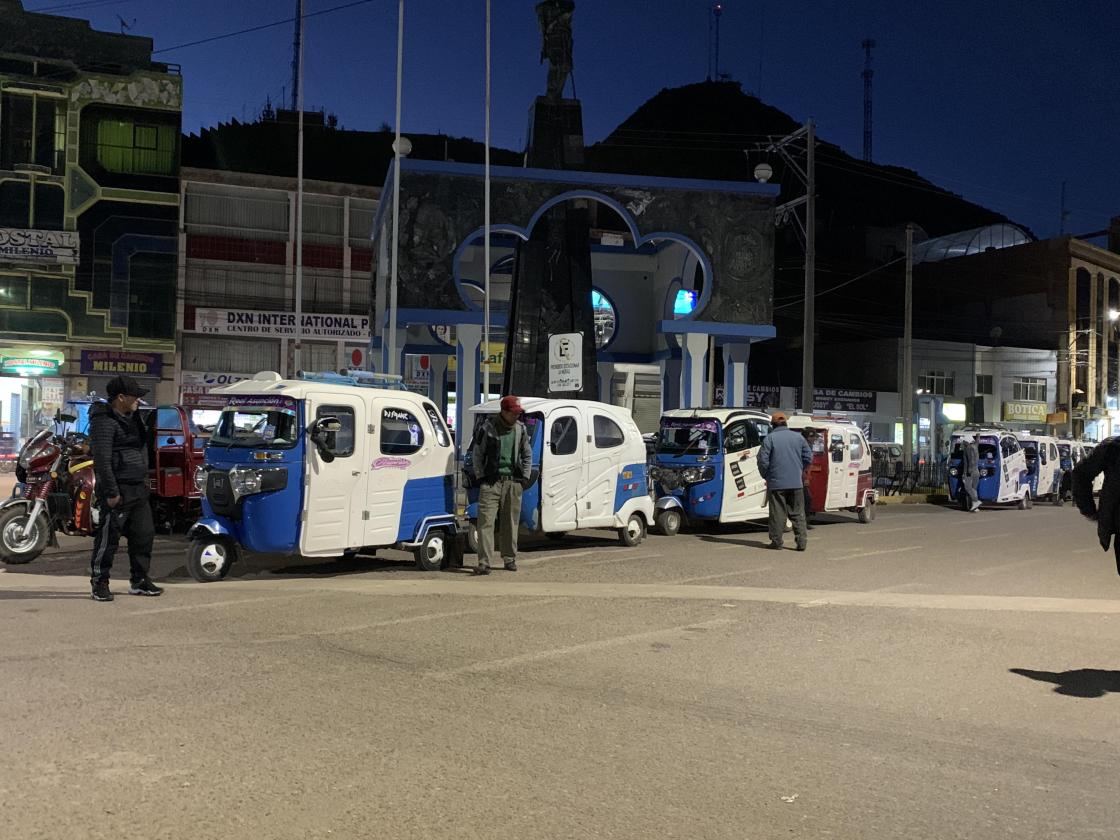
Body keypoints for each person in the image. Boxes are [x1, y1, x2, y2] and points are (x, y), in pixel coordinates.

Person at [88, 375, 161, 601]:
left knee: (144, 535)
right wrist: (111, 492)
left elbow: (141, 450)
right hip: (117, 489)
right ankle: (100, 582)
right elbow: (102, 460)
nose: (138, 400)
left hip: (137, 488)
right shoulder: (103, 421)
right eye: (135, 396)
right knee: (108, 539)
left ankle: (140, 580)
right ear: (121, 398)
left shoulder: (134, 418)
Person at [470, 395, 533, 575]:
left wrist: (525, 477)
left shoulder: (520, 429)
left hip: (513, 482)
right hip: (491, 483)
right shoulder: (488, 428)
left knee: (511, 523)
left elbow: (527, 454)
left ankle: (509, 558)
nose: (516, 416)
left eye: (518, 413)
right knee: (485, 522)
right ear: (504, 412)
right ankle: (484, 562)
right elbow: (477, 454)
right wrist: (481, 477)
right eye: (513, 413)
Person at [758, 411, 813, 551]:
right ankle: (801, 542)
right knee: (798, 513)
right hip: (796, 483)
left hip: (776, 483)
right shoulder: (799, 438)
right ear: (786, 423)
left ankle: (776, 542)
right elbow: (808, 457)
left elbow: (763, 460)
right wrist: (800, 469)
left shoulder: (769, 439)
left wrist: (767, 475)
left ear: (773, 425)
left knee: (777, 514)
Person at [1073, 438, 1120, 576]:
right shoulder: (1113, 448)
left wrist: (1090, 511)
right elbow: (1081, 474)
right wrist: (1089, 510)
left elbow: (1081, 473)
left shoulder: (1113, 447)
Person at [800, 428, 818, 530]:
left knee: (805, 499)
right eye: (814, 437)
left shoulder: (807, 446)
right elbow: (805, 463)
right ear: (809, 437)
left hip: (802, 475)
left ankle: (804, 521)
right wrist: (805, 477)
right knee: (806, 498)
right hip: (800, 476)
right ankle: (804, 522)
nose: (815, 439)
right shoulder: (804, 446)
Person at [959, 434, 981, 512]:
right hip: (976, 471)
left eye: (964, 441)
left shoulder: (968, 448)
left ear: (967, 441)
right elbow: (977, 440)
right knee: (974, 489)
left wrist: (968, 471)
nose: (963, 443)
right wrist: (978, 435)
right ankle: (975, 507)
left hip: (970, 471)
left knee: (967, 487)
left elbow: (970, 459)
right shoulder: (975, 446)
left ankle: (975, 501)